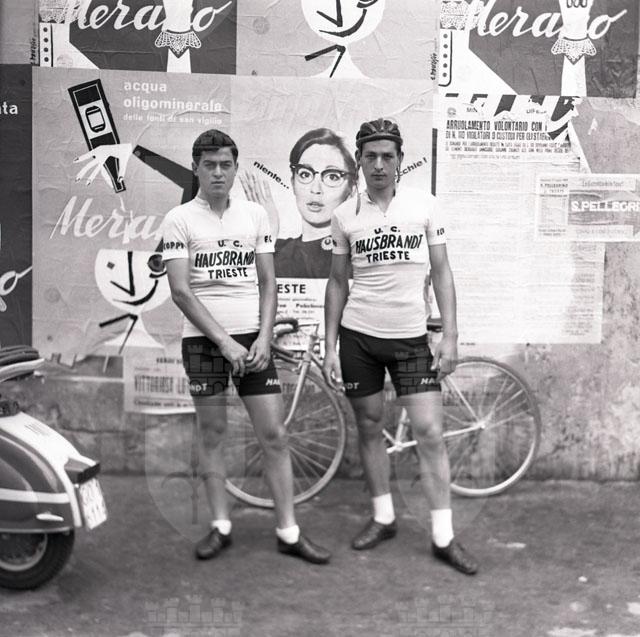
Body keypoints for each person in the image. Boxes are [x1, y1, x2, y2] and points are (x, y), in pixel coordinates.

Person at [161, 129, 330, 564]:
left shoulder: (254, 216)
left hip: (252, 342)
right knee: (213, 434)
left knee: (274, 434)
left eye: (226, 165)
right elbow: (180, 291)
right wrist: (224, 344)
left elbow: (268, 282)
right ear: (196, 168)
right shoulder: (179, 219)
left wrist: (263, 337)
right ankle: (220, 526)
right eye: (209, 165)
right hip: (204, 343)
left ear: (236, 168)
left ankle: (289, 531)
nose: (218, 173)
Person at [322, 118, 478, 575]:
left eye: (387, 156)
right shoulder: (345, 215)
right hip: (359, 339)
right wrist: (330, 346)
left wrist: (450, 335)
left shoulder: (424, 206)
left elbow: (442, 272)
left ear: (400, 160)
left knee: (429, 432)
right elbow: (337, 283)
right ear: (358, 161)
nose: (379, 164)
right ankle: (384, 517)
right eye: (370, 156)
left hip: (410, 340)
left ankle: (443, 537)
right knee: (369, 426)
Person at [241, 128, 356, 279]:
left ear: (352, 189)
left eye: (332, 177)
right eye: (305, 174)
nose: (316, 189)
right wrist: (267, 238)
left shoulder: (359, 254)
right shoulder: (275, 248)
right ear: (293, 182)